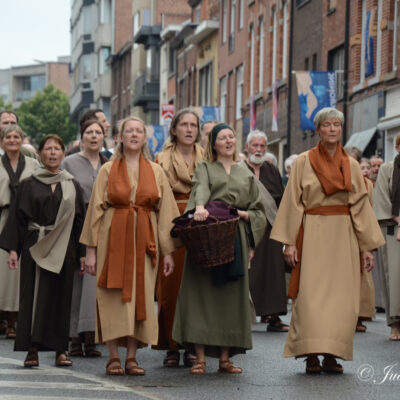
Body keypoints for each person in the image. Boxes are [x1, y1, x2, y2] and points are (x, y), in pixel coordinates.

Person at [270, 107, 384, 374]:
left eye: (336, 125)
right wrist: (290, 242)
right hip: (312, 233)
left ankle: (333, 354)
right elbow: (293, 203)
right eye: (326, 125)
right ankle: (310, 353)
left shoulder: (353, 165)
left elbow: (360, 207)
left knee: (341, 300)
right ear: (318, 129)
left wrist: (366, 247)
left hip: (344, 237)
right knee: (310, 297)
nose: (332, 129)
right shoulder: (302, 162)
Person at [80, 116, 180, 376]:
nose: (134, 135)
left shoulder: (156, 171)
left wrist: (168, 252)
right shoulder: (107, 170)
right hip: (112, 238)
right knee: (111, 296)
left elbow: (166, 213)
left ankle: (132, 357)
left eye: (139, 131)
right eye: (129, 131)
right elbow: (95, 212)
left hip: (144, 242)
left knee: (141, 297)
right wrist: (90, 251)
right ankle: (113, 356)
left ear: (145, 138)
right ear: (119, 137)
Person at [172, 123, 266, 375]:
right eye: (222, 138)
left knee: (230, 299)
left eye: (231, 137)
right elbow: (200, 188)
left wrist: (244, 216)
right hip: (207, 232)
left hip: (234, 236)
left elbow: (258, 210)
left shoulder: (245, 172)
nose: (228, 141)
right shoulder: (204, 167)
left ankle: (225, 359)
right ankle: (200, 358)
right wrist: (200, 207)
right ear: (213, 144)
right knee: (200, 295)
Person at [0, 134, 85, 367]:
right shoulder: (28, 183)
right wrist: (14, 251)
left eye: (57, 148)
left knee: (61, 297)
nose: (53, 152)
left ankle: (61, 350)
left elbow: (79, 222)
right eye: (48, 149)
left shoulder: (72, 184)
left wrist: (83, 255)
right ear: (39, 154)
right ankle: (32, 350)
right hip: (34, 245)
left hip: (63, 248)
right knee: (33, 298)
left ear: (63, 154)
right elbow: (17, 219)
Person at [153, 108, 204, 367]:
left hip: (200, 225)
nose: (188, 129)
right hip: (169, 222)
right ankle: (171, 345)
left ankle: (194, 344)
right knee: (169, 288)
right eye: (183, 124)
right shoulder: (161, 158)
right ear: (174, 129)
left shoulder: (207, 157)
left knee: (196, 289)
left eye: (193, 125)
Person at [61, 119, 108, 358]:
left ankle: (93, 337)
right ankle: (74, 338)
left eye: (98, 132)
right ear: (82, 137)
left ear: (103, 137)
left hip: (103, 226)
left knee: (96, 283)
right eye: (89, 132)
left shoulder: (108, 163)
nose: (93, 136)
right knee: (77, 283)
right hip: (76, 224)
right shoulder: (69, 162)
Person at [242, 130, 288, 332]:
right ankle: (245, 315)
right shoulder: (239, 170)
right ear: (247, 147)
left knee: (274, 272)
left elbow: (282, 200)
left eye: (262, 146)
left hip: (271, 228)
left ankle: (274, 316)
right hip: (247, 227)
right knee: (249, 272)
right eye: (255, 146)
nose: (259, 150)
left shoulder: (271, 170)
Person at [0, 125, 40, 339]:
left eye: (16, 136)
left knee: (21, 273)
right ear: (2, 141)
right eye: (8, 137)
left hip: (26, 222)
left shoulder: (33, 165)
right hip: (3, 219)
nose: (13, 140)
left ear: (22, 139)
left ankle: (17, 321)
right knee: (3, 272)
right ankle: (4, 319)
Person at [373, 133, 400, 341]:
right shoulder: (387, 170)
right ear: (397, 148)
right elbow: (381, 199)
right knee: (394, 277)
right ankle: (395, 324)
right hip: (393, 229)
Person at [356, 158, 375, 332]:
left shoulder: (369, 184)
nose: (366, 170)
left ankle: (360, 315)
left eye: (367, 167)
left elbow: (370, 208)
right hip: (349, 228)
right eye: (362, 167)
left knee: (363, 275)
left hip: (364, 227)